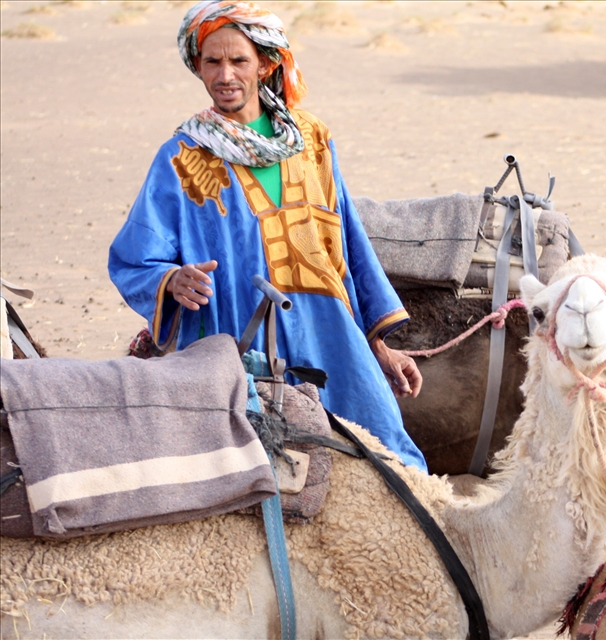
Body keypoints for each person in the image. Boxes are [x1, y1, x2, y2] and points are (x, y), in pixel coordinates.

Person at [108, 0, 427, 471]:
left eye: (238, 60)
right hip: (238, 338)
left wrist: (377, 347)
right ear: (197, 67)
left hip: (330, 335)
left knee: (387, 458)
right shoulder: (181, 157)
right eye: (212, 62)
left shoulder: (313, 139)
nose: (225, 75)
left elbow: (348, 246)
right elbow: (135, 257)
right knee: (252, 479)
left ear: (266, 63)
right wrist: (172, 281)